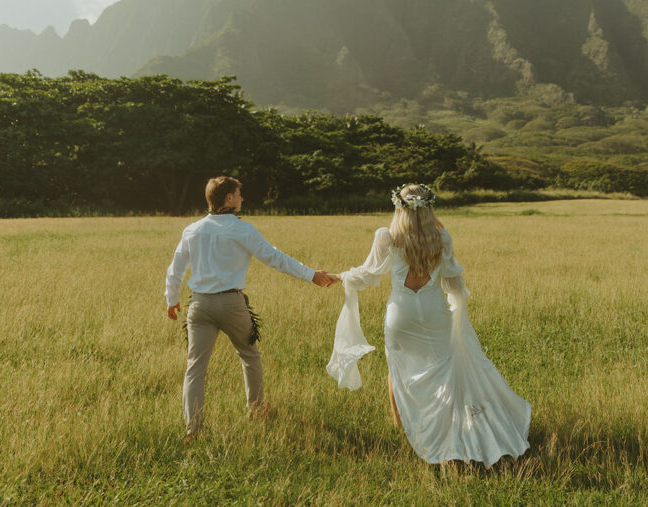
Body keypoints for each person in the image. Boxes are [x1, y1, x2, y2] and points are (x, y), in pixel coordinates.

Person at [326, 183, 531, 467]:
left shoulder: (387, 236)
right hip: (435, 315)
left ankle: (402, 425)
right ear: (429, 208)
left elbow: (366, 273)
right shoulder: (440, 237)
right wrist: (458, 303)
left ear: (399, 207)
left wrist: (339, 276)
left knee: (397, 369)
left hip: (401, 314)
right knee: (443, 374)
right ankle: (452, 430)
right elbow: (453, 282)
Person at [165, 175, 337, 439]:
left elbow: (176, 269)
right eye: (239, 194)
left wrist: (171, 299)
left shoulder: (192, 230)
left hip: (198, 305)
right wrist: (311, 274)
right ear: (228, 199)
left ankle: (194, 428)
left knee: (195, 366)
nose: (242, 199)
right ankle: (256, 410)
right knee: (249, 355)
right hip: (232, 303)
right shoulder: (241, 229)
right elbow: (275, 258)